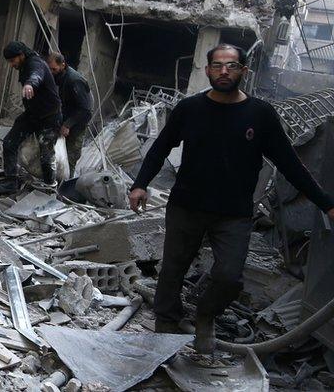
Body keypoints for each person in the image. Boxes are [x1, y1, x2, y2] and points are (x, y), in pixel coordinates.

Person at [128, 43, 334, 354]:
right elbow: (160, 148)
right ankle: (166, 330)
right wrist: (140, 183)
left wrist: (326, 204)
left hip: (234, 214)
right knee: (172, 270)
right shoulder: (189, 109)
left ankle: (205, 316)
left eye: (232, 65)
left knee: (228, 277)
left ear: (244, 71)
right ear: (208, 70)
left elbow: (290, 164)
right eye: (218, 65)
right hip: (186, 206)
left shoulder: (260, 115)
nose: (224, 71)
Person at [0, 41, 63, 196]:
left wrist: (30, 84)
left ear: (21, 55)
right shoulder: (24, 64)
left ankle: (50, 188)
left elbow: (36, 74)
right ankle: (11, 181)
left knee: (46, 153)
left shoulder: (35, 63)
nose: (11, 65)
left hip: (50, 117)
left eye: (12, 61)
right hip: (33, 115)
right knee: (9, 142)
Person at [47, 52, 93, 174]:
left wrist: (68, 124)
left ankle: (64, 187)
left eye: (54, 69)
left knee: (69, 159)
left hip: (77, 123)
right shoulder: (60, 76)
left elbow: (85, 109)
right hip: (65, 117)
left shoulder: (74, 80)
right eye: (50, 69)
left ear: (63, 65)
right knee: (56, 155)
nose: (52, 72)